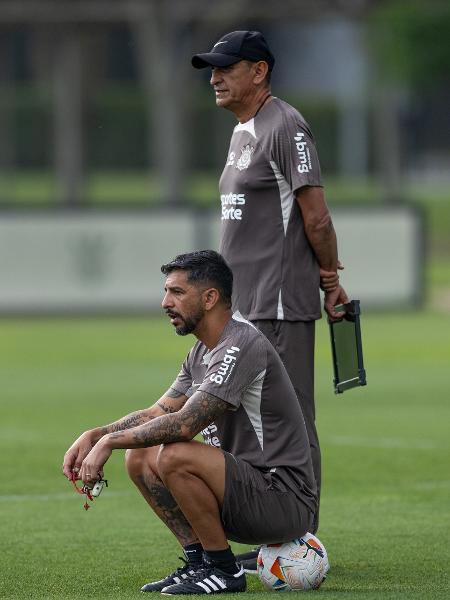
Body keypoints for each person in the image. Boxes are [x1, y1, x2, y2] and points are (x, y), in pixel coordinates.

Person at [62, 250, 317, 596]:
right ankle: (199, 562)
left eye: (177, 292)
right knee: (138, 455)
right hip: (243, 492)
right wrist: (96, 434)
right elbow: (157, 414)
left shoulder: (241, 344)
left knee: (173, 454)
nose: (166, 302)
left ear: (210, 298)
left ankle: (225, 572)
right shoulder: (200, 352)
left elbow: (183, 425)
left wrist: (109, 443)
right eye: (167, 291)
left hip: (282, 500)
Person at [191, 31, 349, 568]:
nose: (215, 77)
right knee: (235, 424)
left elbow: (317, 216)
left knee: (291, 424)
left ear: (258, 72)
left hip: (278, 307)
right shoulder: (242, 131)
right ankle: (261, 534)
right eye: (212, 68)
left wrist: (329, 280)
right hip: (241, 309)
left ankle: (302, 542)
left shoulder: (286, 125)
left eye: (226, 67)